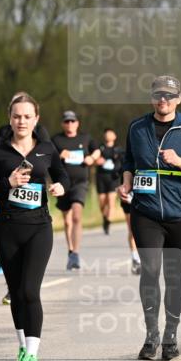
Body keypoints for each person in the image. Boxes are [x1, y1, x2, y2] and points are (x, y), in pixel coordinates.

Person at [120, 75, 181, 360]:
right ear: (151, 98)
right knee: (150, 270)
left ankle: (171, 336)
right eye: (159, 95)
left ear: (179, 99)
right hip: (145, 213)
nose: (164, 100)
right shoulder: (137, 128)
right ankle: (151, 337)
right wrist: (125, 183)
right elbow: (128, 163)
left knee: (174, 277)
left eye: (169, 96)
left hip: (180, 214)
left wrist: (180, 162)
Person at [0, 93, 68, 361]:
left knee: (30, 291)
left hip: (39, 227)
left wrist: (60, 188)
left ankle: (32, 354)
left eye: (27, 116)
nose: (22, 121)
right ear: (10, 118)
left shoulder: (46, 149)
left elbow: (63, 177)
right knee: (16, 292)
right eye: (17, 116)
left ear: (36, 119)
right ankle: (22, 349)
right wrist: (8, 182)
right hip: (7, 227)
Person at [52, 111, 100, 270]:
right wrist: (59, 155)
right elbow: (47, 157)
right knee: (67, 220)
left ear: (77, 123)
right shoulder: (56, 140)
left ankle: (76, 253)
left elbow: (97, 149)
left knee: (77, 216)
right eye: (67, 121)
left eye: (72, 121)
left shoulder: (85, 138)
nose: (70, 124)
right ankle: (70, 250)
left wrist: (92, 158)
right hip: (63, 184)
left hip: (80, 182)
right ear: (62, 124)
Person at [95, 128, 123, 234]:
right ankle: (105, 218)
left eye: (110, 133)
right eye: (106, 133)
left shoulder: (118, 149)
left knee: (111, 202)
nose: (108, 135)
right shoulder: (100, 148)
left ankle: (108, 222)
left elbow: (122, 162)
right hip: (101, 177)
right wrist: (96, 161)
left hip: (113, 178)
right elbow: (93, 159)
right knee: (102, 203)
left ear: (115, 136)